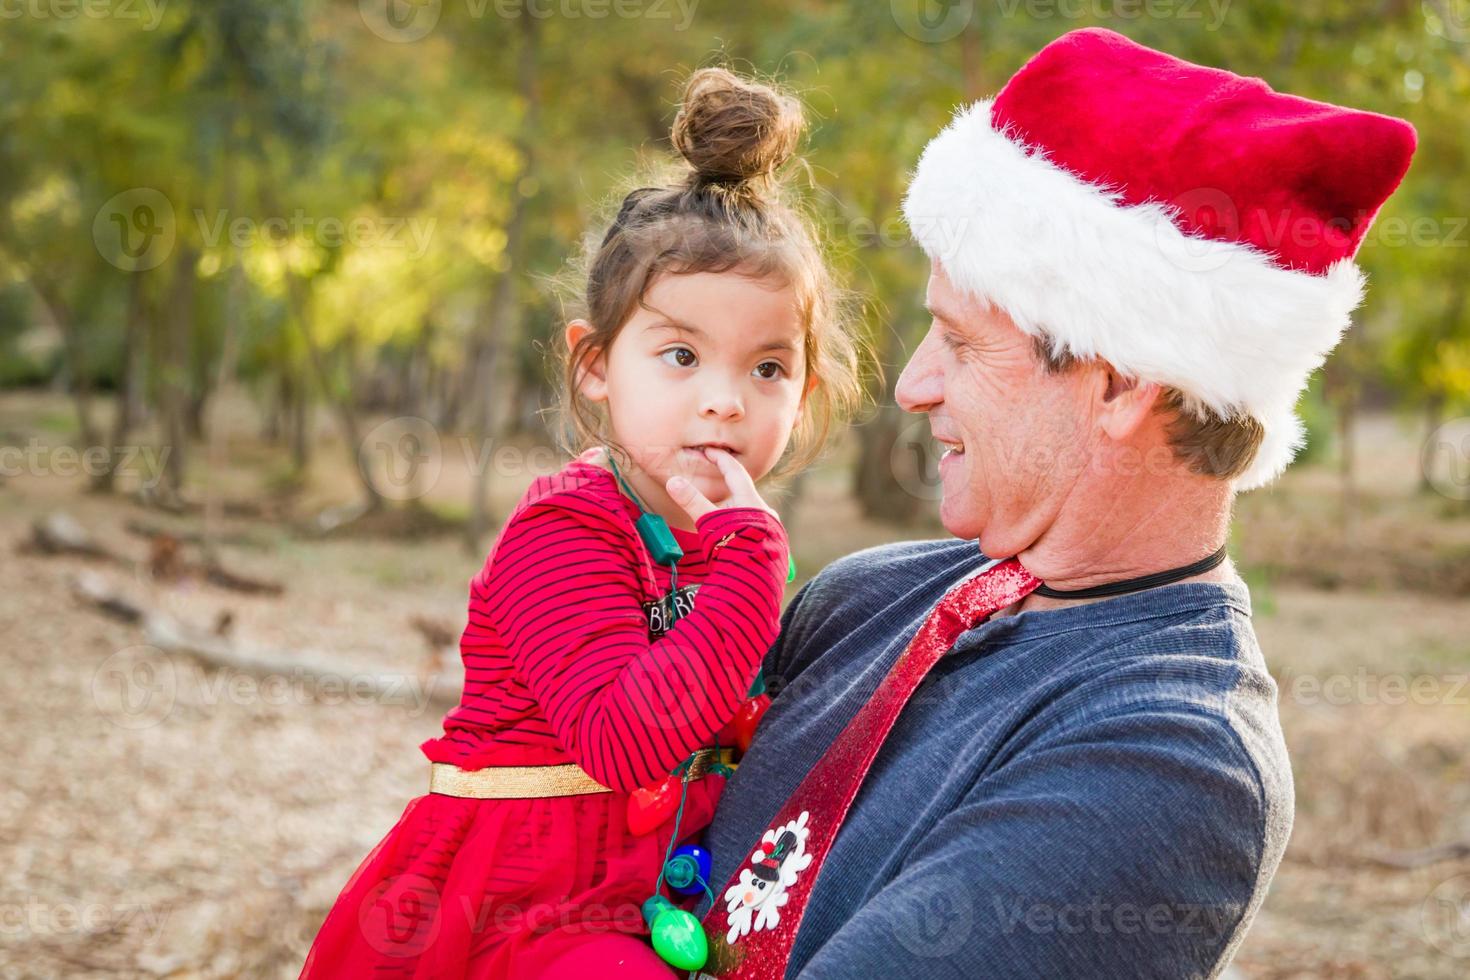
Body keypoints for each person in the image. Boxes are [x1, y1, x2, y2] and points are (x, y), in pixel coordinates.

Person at [693, 28, 1416, 978]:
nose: (911, 386)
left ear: (1120, 387)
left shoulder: (1173, 763)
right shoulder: (862, 596)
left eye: (961, 341)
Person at [298, 67, 862, 979]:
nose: (724, 402)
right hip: (520, 904)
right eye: (681, 355)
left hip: (657, 893)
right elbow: (619, 741)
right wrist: (752, 562)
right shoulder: (567, 532)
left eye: (768, 368)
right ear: (596, 364)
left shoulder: (716, 539)